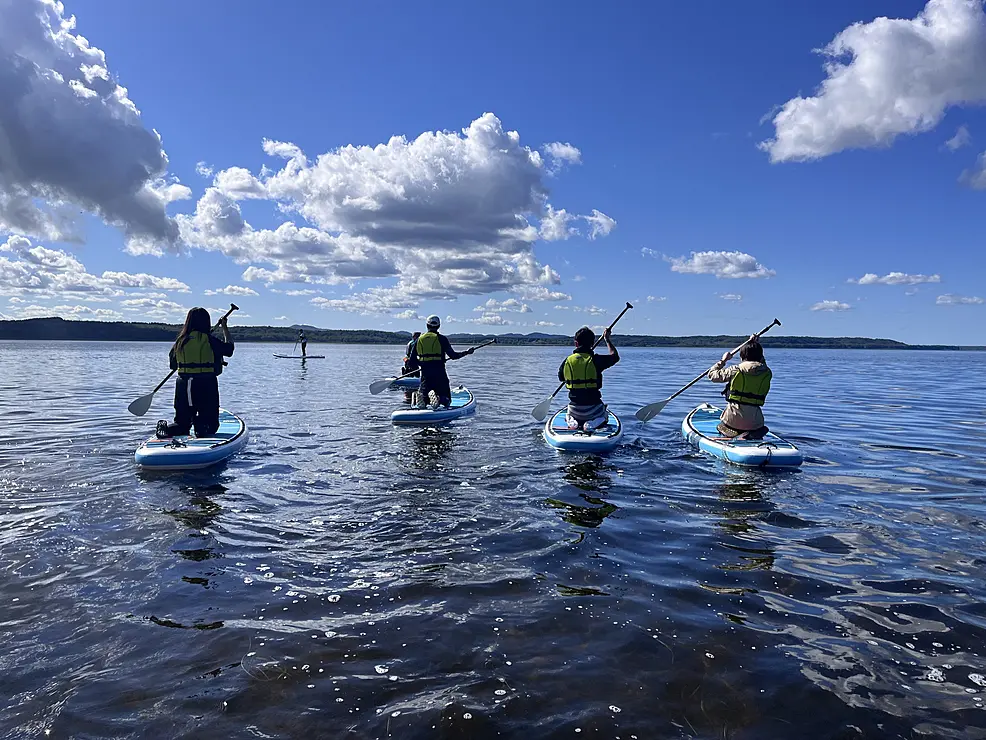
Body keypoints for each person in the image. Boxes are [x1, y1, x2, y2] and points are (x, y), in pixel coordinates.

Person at [156, 307, 235, 439]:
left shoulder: (180, 341)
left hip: (183, 385)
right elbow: (229, 349)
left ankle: (166, 428)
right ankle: (201, 425)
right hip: (206, 383)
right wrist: (225, 328)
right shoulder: (209, 340)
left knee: (181, 424)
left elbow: (173, 365)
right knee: (211, 425)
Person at [558, 325, 619, 431]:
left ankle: (571, 420)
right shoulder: (596, 360)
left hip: (574, 409)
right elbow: (615, 357)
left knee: (570, 411)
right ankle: (592, 423)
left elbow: (561, 378)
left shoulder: (567, 361)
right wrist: (607, 339)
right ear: (592, 343)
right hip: (593, 409)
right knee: (604, 416)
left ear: (576, 343)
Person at [707, 338, 771, 439]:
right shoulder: (767, 372)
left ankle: (732, 434)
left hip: (732, 421)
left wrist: (723, 360)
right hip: (755, 422)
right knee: (760, 428)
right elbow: (761, 363)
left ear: (742, 356)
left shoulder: (735, 370)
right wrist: (755, 344)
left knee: (720, 426)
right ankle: (750, 434)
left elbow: (712, 375)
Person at [408, 316, 473, 409]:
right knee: (446, 399)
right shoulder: (442, 339)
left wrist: (422, 364)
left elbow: (411, 362)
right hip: (439, 372)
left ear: (427, 325)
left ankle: (423, 398)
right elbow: (453, 356)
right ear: (439, 326)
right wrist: (467, 352)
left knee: (425, 391)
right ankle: (439, 398)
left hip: (425, 374)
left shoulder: (418, 340)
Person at [401, 331, 421, 404]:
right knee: (416, 374)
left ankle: (408, 395)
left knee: (409, 373)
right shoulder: (415, 343)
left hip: (408, 360)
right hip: (412, 361)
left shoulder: (410, 342)